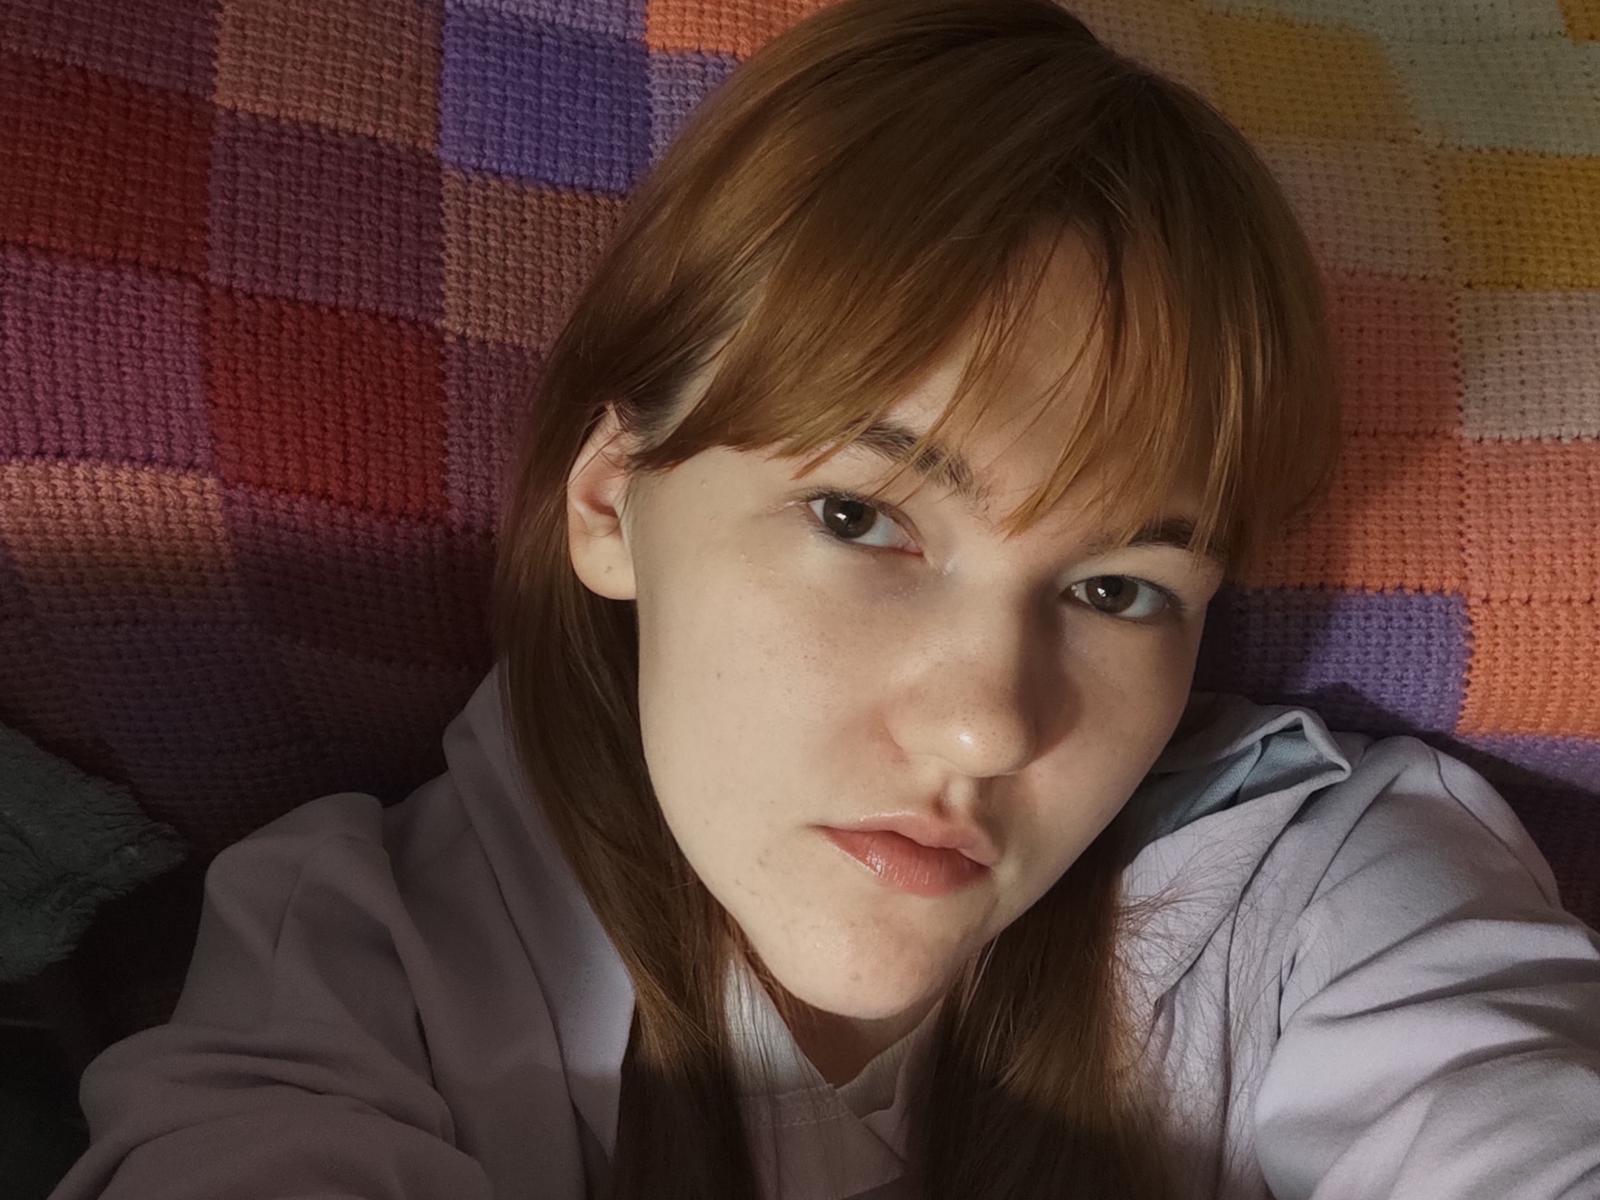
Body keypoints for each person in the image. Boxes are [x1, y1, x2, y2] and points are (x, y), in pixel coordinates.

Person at [47, 1, 1600, 1198]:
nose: (990, 722)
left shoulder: (1323, 897)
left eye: (1121, 586)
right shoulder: (357, 961)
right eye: (863, 515)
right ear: (610, 501)